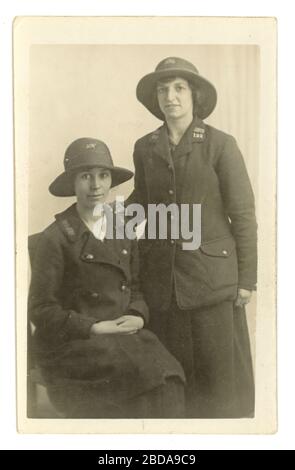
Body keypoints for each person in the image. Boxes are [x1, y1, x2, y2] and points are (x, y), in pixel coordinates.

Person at [127, 57, 257, 418]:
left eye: (179, 88)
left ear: (194, 95)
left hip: (210, 281)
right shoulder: (144, 146)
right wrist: (105, 222)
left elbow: (243, 214)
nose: (171, 96)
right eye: (163, 89)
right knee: (173, 380)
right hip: (162, 282)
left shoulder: (220, 144)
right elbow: (142, 200)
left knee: (217, 386)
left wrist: (247, 278)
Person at [28, 137, 185, 418]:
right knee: (144, 381)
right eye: (85, 176)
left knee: (169, 374)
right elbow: (41, 310)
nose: (96, 185)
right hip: (76, 343)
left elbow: (135, 287)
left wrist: (138, 315)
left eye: (103, 175)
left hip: (123, 334)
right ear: (72, 184)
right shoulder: (56, 238)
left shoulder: (121, 227)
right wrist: (95, 327)